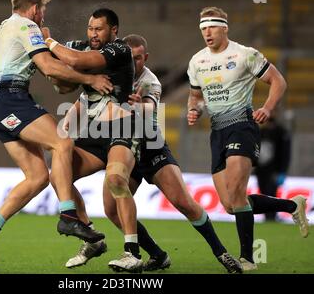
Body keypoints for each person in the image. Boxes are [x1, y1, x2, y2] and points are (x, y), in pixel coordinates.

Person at [57, 34, 243, 274]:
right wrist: (68, 124)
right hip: (122, 144)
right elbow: (85, 98)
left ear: (145, 58)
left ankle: (222, 253)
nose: (133, 63)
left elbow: (151, 106)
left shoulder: (150, 80)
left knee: (183, 202)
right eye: (129, 58)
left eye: (138, 58)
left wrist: (137, 105)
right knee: (112, 210)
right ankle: (157, 255)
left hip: (150, 146)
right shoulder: (113, 72)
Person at [0, 0, 112, 269]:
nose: (43, 16)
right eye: (42, 11)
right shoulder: (26, 25)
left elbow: (54, 78)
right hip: (11, 99)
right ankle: (69, 217)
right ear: (35, 8)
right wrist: (90, 79)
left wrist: (62, 73)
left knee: (37, 177)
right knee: (62, 143)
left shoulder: (5, 27)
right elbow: (48, 67)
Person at [186, 6, 309, 271]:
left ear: (224, 28)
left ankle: (247, 259)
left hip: (243, 125)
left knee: (238, 194)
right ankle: (292, 204)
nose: (207, 32)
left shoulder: (245, 55)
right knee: (231, 205)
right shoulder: (197, 61)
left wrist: (267, 107)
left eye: (212, 27)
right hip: (217, 131)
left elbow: (278, 81)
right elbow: (195, 96)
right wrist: (194, 110)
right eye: (203, 28)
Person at [43, 8, 144, 272]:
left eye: (99, 29)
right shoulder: (81, 46)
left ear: (114, 31)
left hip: (124, 126)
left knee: (116, 180)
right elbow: (54, 65)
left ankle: (132, 252)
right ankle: (90, 236)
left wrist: (48, 40)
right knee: (58, 176)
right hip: (96, 131)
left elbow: (73, 60)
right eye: (90, 28)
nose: (93, 34)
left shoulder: (119, 51)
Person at [255, 113, 292, 221]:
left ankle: (272, 216)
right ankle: (268, 216)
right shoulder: (261, 133)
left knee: (271, 193)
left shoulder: (281, 132)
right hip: (261, 170)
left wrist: (282, 171)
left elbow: (285, 153)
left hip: (274, 170)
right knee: (263, 192)